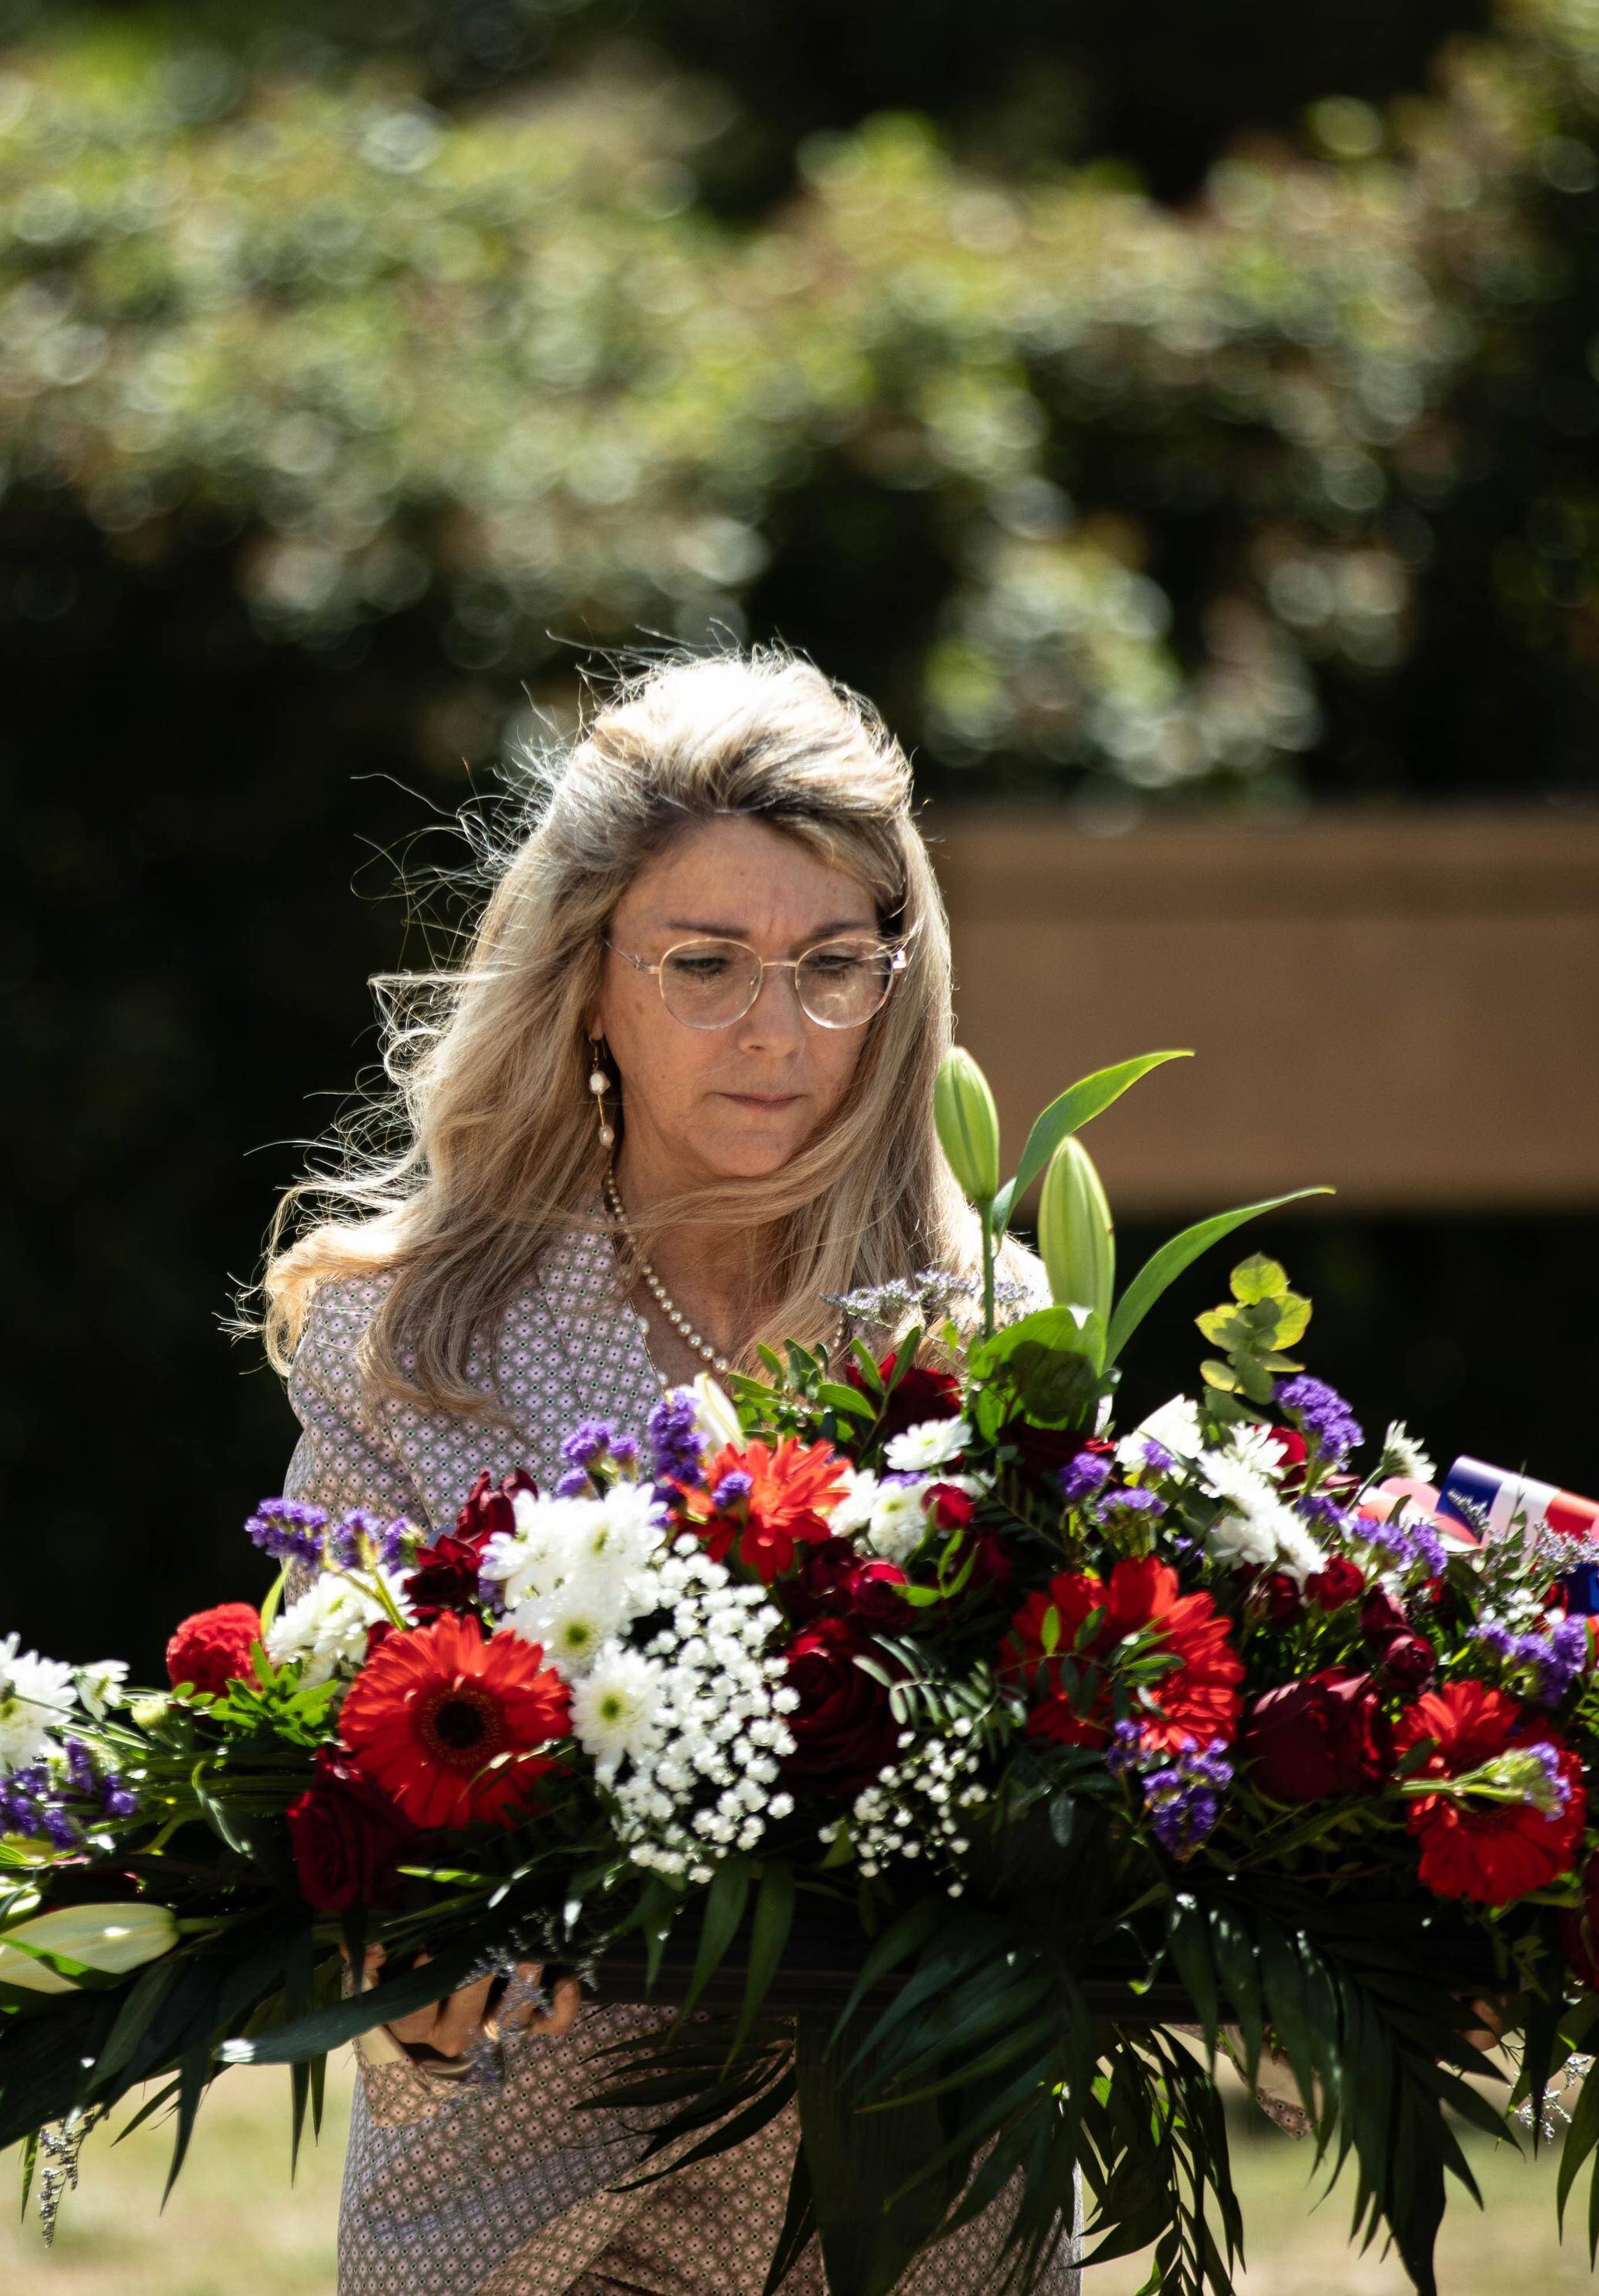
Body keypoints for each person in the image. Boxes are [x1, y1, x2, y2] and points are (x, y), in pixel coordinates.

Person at [262, 652, 1072, 2296]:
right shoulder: (408, 1333)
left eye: (833, 963)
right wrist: (396, 1982)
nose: (777, 1030)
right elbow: (318, 1792)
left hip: (919, 2215)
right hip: (526, 2221)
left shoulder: (993, 1328)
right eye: (705, 962)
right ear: (586, 980)